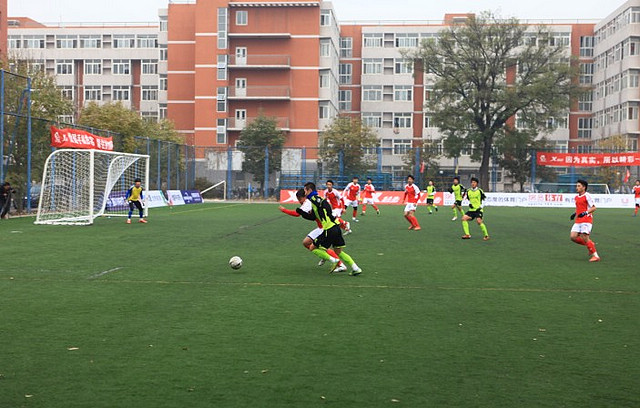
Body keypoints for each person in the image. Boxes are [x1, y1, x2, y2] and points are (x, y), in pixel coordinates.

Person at [279, 189, 347, 273]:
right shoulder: (310, 201)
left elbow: (297, 214)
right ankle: (326, 257)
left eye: (300, 199)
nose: (299, 201)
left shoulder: (307, 203)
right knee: (306, 243)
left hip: (324, 228)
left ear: (304, 197)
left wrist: (284, 210)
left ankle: (340, 264)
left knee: (320, 247)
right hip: (321, 227)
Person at [301, 182, 362, 276]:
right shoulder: (319, 198)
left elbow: (321, 206)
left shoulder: (314, 198)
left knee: (312, 247)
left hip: (329, 228)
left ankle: (333, 260)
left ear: (309, 190)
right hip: (336, 227)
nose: (304, 192)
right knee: (338, 251)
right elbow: (316, 214)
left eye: (305, 190)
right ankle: (356, 268)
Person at [570, 179, 600, 262]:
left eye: (578, 186)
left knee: (584, 237)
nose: (577, 187)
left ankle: (596, 256)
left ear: (584, 187)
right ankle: (590, 245)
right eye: (576, 186)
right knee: (573, 237)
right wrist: (574, 214)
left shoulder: (587, 196)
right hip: (578, 220)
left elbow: (594, 208)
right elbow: (579, 208)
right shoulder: (576, 197)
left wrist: (585, 213)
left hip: (586, 219)